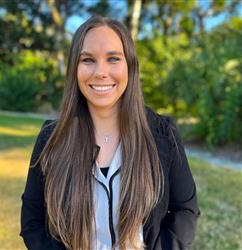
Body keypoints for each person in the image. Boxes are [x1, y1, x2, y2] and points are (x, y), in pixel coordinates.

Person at [20, 16, 200, 250]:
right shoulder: (51, 139)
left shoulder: (163, 134)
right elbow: (32, 222)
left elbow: (185, 210)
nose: (100, 72)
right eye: (88, 60)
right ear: (74, 67)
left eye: (113, 58)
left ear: (130, 66)